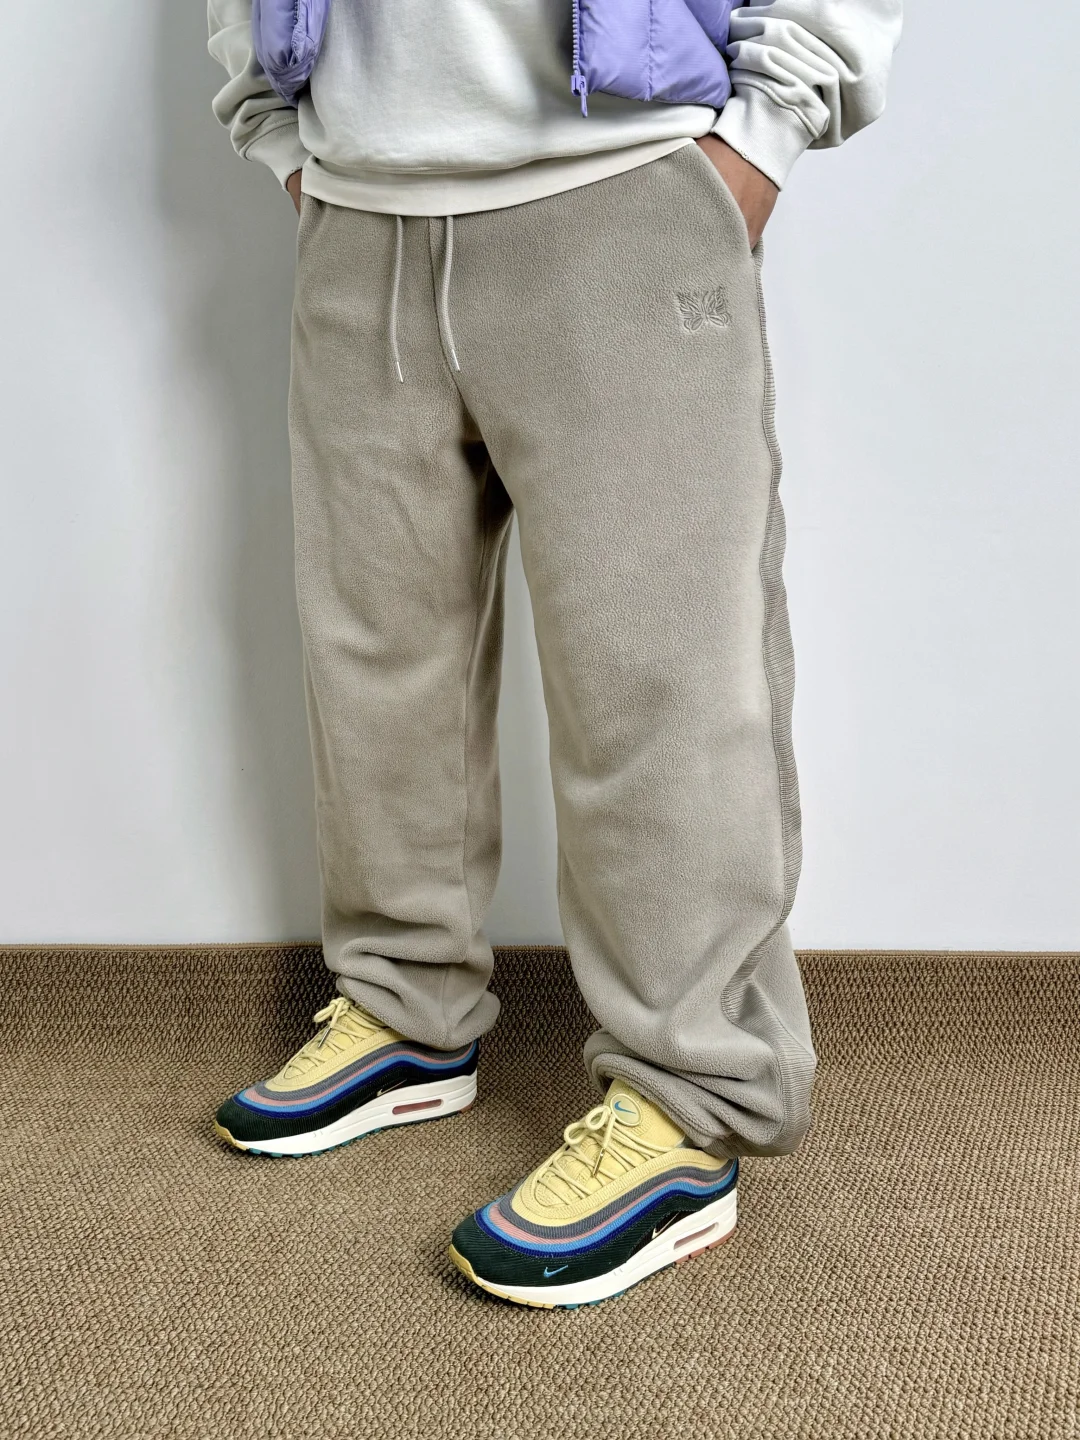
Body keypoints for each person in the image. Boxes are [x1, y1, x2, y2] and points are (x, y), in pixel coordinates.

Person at [207, 0, 901, 1309]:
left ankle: (693, 1094)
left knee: (660, 680)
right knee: (376, 663)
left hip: (618, 191)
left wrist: (762, 134)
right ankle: (406, 1007)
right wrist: (276, 125)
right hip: (358, 207)